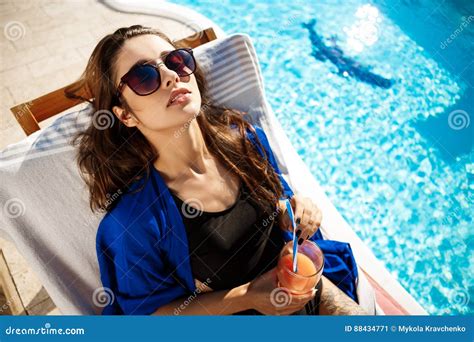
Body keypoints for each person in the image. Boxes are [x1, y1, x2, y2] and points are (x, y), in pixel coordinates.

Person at [67, 25, 367, 315]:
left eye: (176, 61)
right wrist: (244, 297)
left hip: (304, 289)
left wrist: (299, 209)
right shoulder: (133, 223)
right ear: (125, 114)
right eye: (145, 77)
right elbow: (149, 318)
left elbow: (281, 209)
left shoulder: (246, 141)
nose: (172, 76)